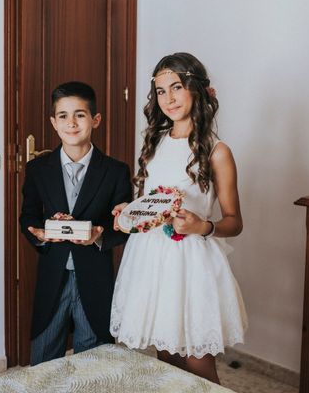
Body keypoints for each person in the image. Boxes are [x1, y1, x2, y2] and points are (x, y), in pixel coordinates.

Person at [109, 52, 247, 384]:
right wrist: (129, 211)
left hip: (192, 262)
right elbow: (151, 203)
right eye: (160, 91)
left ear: (196, 89)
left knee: (198, 362)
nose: (168, 98)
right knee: (166, 358)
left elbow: (235, 221)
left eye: (176, 87)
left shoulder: (216, 151)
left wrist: (203, 225)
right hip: (152, 259)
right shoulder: (153, 143)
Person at [19, 81, 133, 366]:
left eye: (80, 115)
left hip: (95, 277)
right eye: (63, 116)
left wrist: (97, 235)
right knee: (44, 355)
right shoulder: (37, 170)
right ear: (53, 123)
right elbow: (28, 216)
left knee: (94, 358)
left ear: (95, 120)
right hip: (52, 275)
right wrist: (42, 234)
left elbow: (123, 226)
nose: (71, 123)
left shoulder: (116, 171)